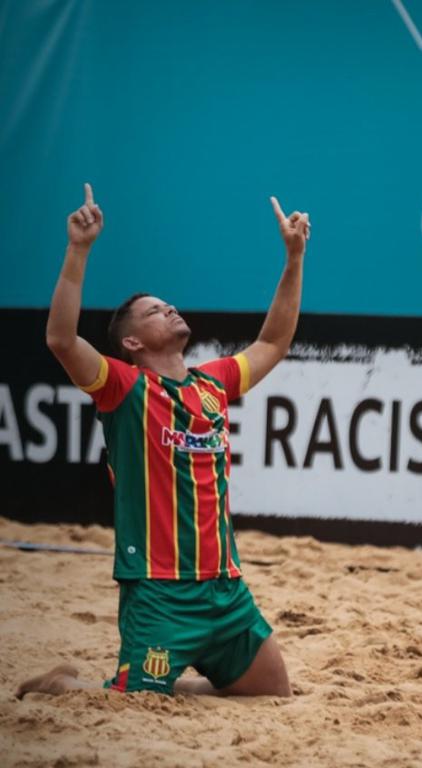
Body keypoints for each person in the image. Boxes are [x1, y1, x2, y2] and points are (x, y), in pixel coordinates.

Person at [17, 183, 310, 698]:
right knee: (129, 703)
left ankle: (181, 682)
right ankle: (66, 685)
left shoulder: (212, 383)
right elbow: (61, 339)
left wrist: (293, 257)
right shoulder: (122, 388)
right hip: (159, 592)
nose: (170, 310)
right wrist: (78, 250)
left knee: (271, 695)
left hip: (225, 588)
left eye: (169, 305)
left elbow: (273, 341)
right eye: (155, 311)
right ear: (132, 342)